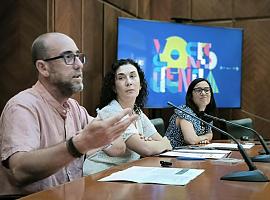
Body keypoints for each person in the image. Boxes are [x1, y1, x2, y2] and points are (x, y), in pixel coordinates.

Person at [0, 32, 137, 196]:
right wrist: (79, 144)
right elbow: (19, 171)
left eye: (79, 56)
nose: (79, 64)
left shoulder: (75, 108)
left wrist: (104, 136)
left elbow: (117, 148)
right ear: (43, 68)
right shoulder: (22, 106)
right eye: (68, 57)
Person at [83, 59, 172, 175]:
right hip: (99, 175)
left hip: (124, 174)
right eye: (121, 78)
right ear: (114, 87)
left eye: (132, 76)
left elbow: (164, 145)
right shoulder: (111, 112)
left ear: (140, 85)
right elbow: (147, 148)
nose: (128, 82)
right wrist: (157, 144)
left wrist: (156, 144)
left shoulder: (137, 112)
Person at [165, 78, 216, 148]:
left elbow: (210, 135)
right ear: (191, 95)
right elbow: (191, 140)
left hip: (192, 153)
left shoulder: (206, 113)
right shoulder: (184, 112)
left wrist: (200, 139)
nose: (203, 93)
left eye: (207, 90)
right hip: (172, 153)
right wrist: (204, 137)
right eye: (199, 90)